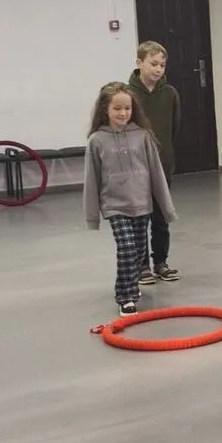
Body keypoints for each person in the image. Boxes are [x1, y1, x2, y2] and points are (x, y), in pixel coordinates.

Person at [83, 81, 178, 317]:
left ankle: (131, 286)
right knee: (126, 247)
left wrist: (166, 208)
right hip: (114, 205)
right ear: (105, 109)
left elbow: (156, 173)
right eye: (117, 108)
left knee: (137, 250)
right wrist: (92, 216)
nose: (123, 113)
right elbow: (91, 180)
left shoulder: (143, 136)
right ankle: (125, 296)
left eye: (127, 108)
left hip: (142, 204)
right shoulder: (96, 140)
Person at [128, 40, 182, 285]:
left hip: (162, 163)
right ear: (139, 63)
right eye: (153, 64)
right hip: (135, 166)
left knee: (161, 217)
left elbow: (174, 128)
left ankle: (161, 262)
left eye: (162, 65)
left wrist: (166, 154)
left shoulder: (170, 94)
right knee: (140, 218)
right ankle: (141, 266)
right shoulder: (128, 94)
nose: (158, 69)